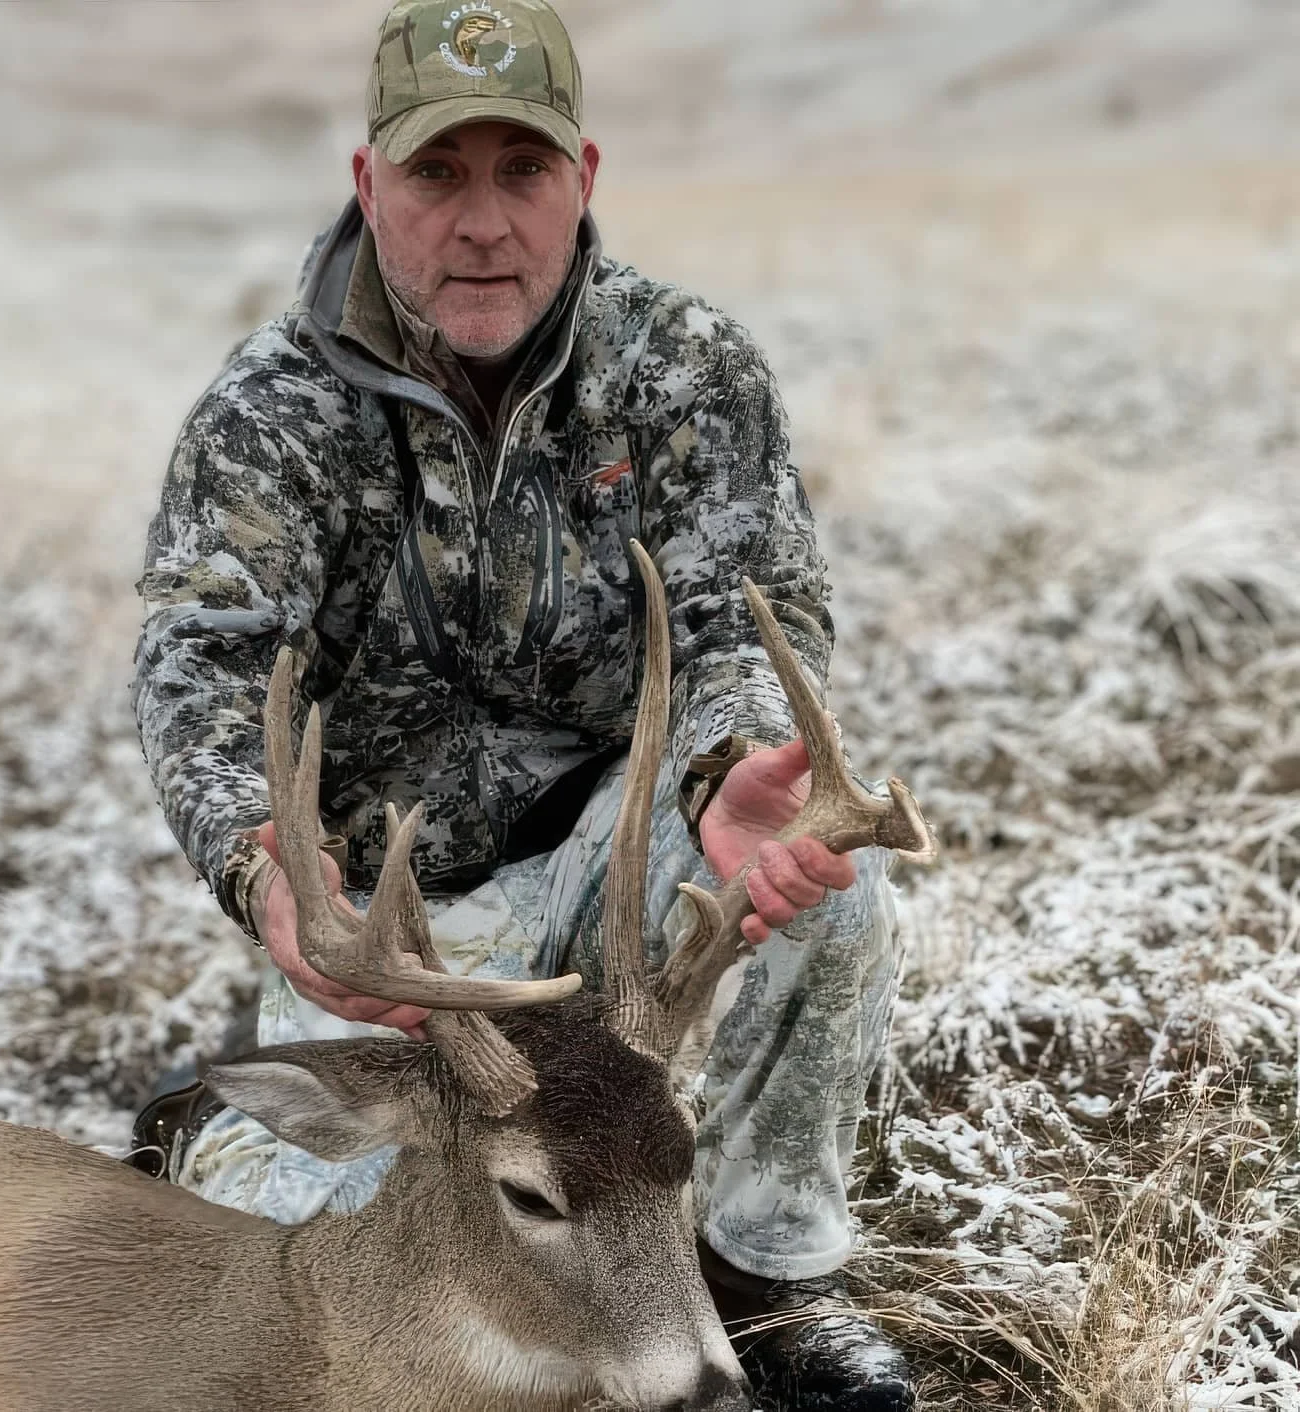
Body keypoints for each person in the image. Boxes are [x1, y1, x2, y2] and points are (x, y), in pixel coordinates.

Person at [131, 2, 914, 1406]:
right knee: (300, 1270)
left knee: (826, 894)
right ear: (371, 185)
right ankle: (206, 1122)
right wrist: (268, 865)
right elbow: (202, 660)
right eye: (438, 175)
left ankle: (770, 1285)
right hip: (401, 931)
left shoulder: (689, 370)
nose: (481, 223)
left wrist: (723, 771)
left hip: (615, 875)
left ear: (585, 178)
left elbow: (752, 615)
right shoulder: (270, 411)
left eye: (522, 171)